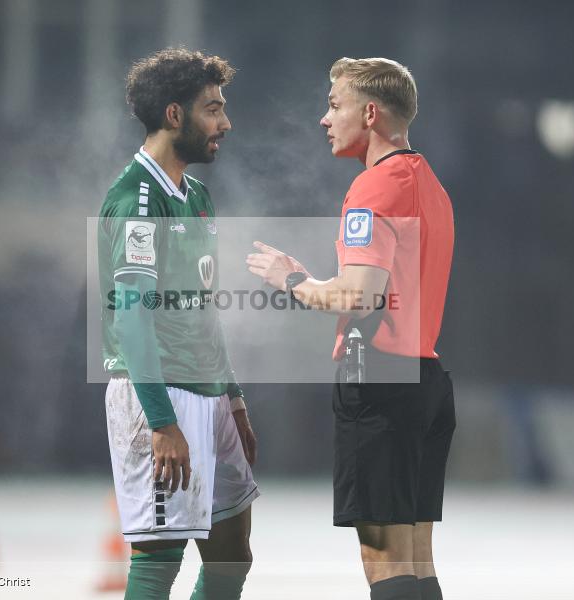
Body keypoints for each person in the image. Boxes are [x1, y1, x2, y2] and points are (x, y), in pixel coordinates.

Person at [247, 57, 455, 600]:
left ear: (369, 112)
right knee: (417, 560)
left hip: (379, 378)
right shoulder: (429, 184)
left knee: (383, 560)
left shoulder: (375, 187)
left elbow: (358, 294)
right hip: (426, 376)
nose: (324, 118)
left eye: (334, 105)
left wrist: (290, 277)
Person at [98, 48, 258, 600]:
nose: (225, 123)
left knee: (232, 554)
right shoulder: (137, 201)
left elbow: (202, 306)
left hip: (207, 395)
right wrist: (163, 423)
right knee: (159, 559)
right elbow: (133, 319)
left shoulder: (196, 196)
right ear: (174, 116)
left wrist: (232, 396)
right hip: (160, 395)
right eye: (212, 109)